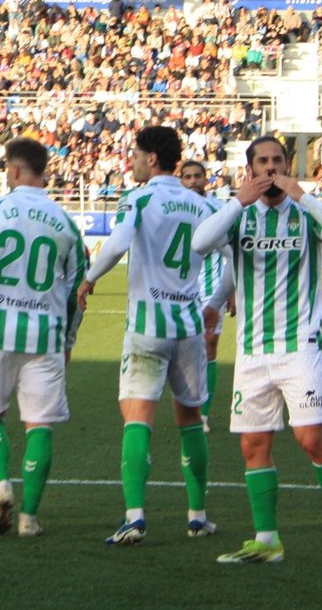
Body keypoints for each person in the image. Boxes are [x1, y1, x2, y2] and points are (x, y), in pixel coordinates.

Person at [192, 136, 322, 567]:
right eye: (262, 162)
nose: (270, 169)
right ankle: (267, 540)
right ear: (249, 170)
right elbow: (202, 245)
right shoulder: (238, 217)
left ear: (288, 166)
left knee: (310, 439)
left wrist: (302, 195)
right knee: (253, 446)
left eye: (278, 162)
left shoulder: (305, 216)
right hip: (251, 350)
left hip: (299, 346)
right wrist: (215, 300)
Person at [77, 125, 224, 546]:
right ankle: (198, 516)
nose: (133, 161)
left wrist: (88, 279)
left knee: (137, 418)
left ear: (152, 159)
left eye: (137, 155)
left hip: (147, 327)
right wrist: (216, 299)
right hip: (189, 326)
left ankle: (135, 517)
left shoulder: (138, 198)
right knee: (191, 420)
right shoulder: (201, 206)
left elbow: (118, 243)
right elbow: (231, 258)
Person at [0, 137, 88, 537]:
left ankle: (1, 486)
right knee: (40, 425)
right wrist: (68, 339)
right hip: (46, 336)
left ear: (15, 171)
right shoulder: (66, 222)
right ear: (43, 171)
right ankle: (29, 518)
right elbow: (77, 289)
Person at [180, 159, 231, 432]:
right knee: (186, 351)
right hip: (178, 291)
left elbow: (231, 254)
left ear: (206, 179)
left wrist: (231, 291)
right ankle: (188, 404)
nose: (192, 181)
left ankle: (204, 414)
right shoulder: (172, 209)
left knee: (209, 344)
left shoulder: (218, 210)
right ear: (180, 180)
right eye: (186, 176)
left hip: (212, 289)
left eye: (197, 176)